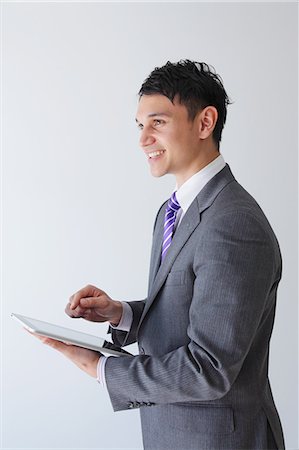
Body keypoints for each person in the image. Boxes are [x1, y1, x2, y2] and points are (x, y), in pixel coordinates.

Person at [33, 60, 285, 450]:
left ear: (205, 123)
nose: (143, 139)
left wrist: (101, 368)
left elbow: (210, 368)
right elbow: (196, 309)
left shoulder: (234, 223)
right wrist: (122, 313)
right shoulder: (174, 211)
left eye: (158, 123)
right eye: (140, 126)